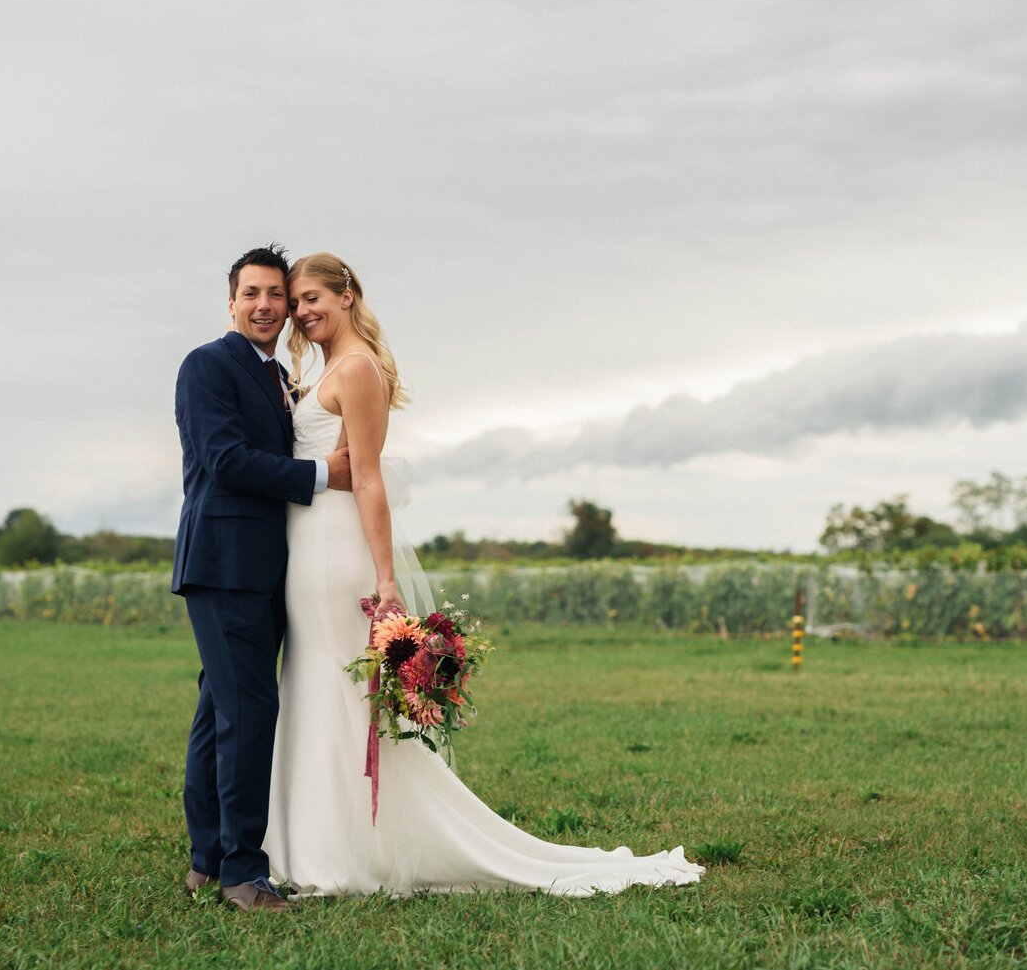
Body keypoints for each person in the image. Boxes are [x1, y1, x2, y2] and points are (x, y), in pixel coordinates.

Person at [263, 252, 705, 896]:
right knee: (313, 686)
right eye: (297, 302)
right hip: (305, 547)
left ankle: (342, 852)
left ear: (347, 295)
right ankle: (315, 842)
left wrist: (386, 580)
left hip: (335, 552)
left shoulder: (356, 369)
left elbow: (368, 478)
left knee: (337, 694)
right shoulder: (330, 366)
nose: (302, 312)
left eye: (312, 299)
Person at [172, 244, 350, 911]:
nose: (268, 305)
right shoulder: (207, 366)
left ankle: (207, 858)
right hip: (224, 563)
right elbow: (225, 461)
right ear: (232, 301)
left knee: (220, 707)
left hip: (264, 568)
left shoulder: (274, 375)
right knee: (248, 710)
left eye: (277, 294)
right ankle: (243, 873)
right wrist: (325, 474)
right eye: (253, 293)